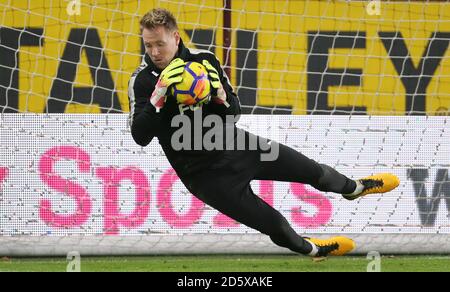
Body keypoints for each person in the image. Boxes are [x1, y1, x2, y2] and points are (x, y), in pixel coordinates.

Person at [128, 8, 400, 257]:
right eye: (148, 45)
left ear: (175, 38)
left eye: (159, 44)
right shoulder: (141, 81)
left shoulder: (204, 61)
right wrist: (158, 98)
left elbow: (234, 113)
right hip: (204, 176)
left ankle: (355, 188)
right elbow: (140, 137)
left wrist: (219, 95)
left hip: (238, 146)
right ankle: (315, 250)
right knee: (274, 224)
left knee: (313, 172)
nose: (154, 52)